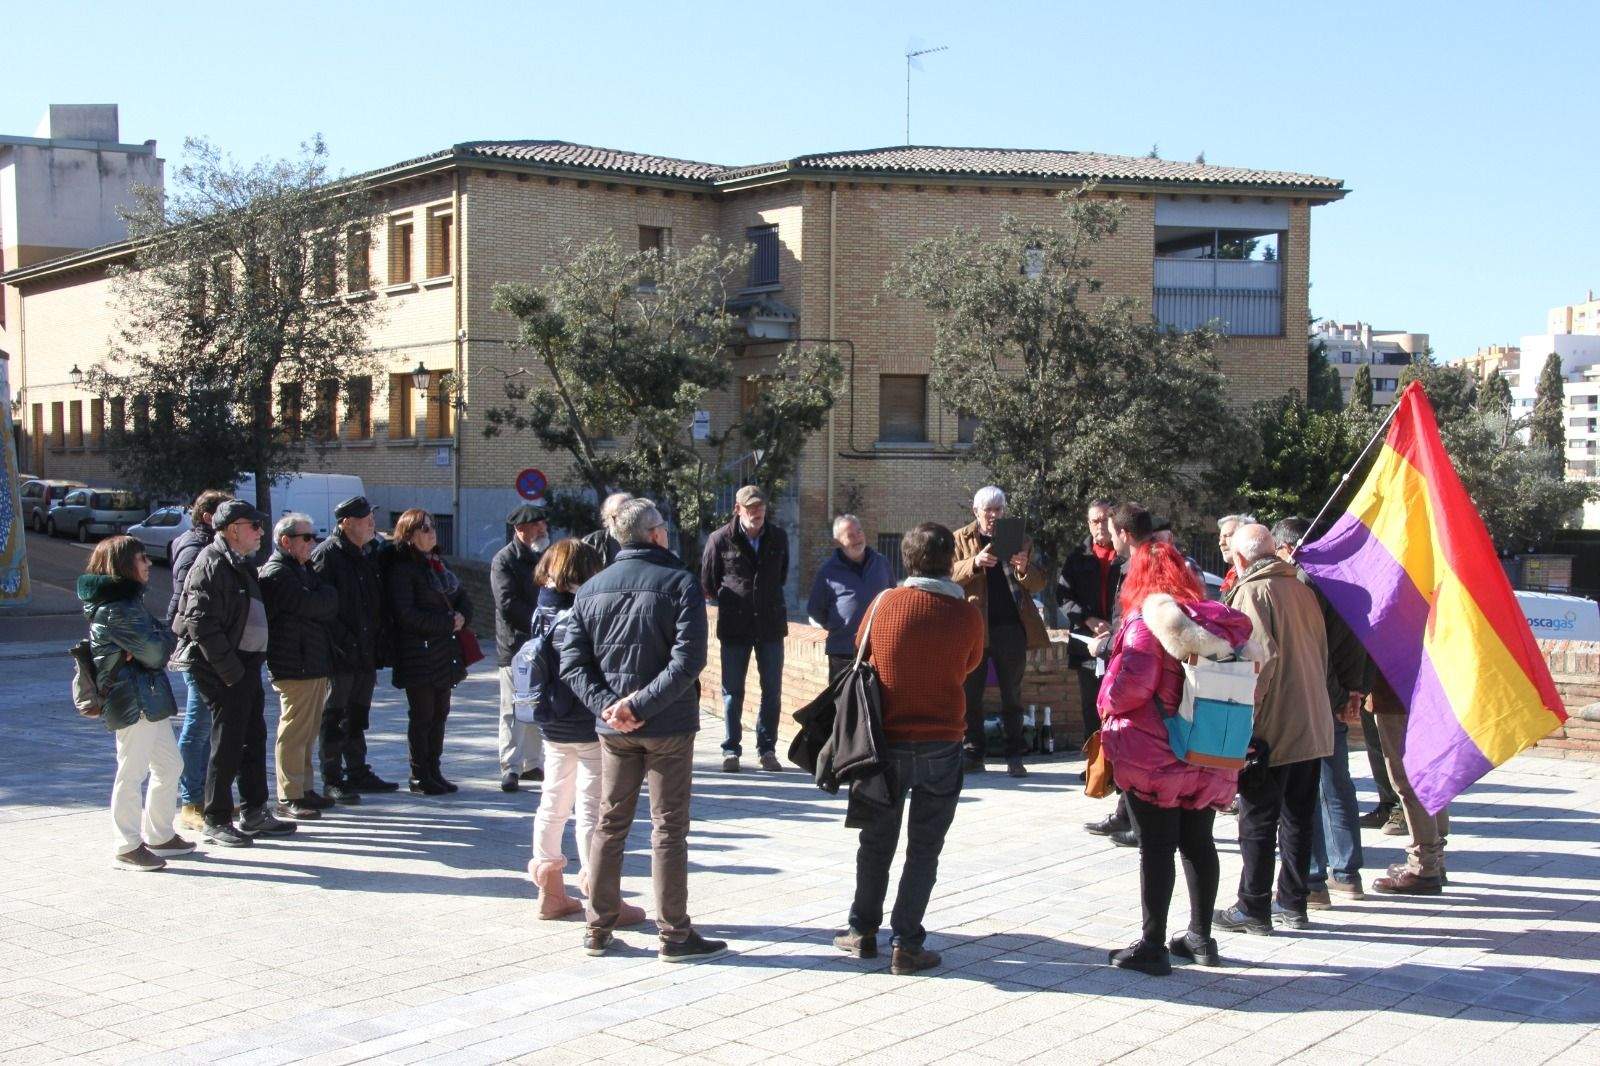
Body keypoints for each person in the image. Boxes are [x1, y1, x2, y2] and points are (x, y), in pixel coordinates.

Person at [561, 498, 727, 963]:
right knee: (667, 828)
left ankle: (597, 928)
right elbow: (689, 660)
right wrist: (634, 705)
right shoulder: (679, 582)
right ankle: (674, 934)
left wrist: (612, 707)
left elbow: (572, 664)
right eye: (664, 528)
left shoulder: (591, 588)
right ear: (654, 534)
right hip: (665, 724)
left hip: (617, 727)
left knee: (610, 824)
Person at [1099, 541, 1260, 974]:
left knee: (1156, 847)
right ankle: (1201, 939)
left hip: (1156, 754)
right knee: (1198, 842)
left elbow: (1130, 690)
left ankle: (1152, 946)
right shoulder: (1216, 622)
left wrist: (1104, 697)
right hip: (1208, 750)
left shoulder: (1146, 622)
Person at [833, 522, 984, 976]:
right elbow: (970, 665)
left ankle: (862, 931)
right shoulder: (967, 615)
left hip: (886, 742)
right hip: (943, 741)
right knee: (925, 848)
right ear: (950, 560)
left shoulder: (884, 604)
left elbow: (862, 650)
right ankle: (907, 942)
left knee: (875, 841)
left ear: (907, 559)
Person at [1215, 523, 1333, 934]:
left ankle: (1253, 906)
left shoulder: (1253, 592)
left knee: (1258, 818)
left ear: (1241, 558)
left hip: (1274, 725)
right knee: (1299, 815)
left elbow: (1257, 664)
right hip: (1311, 718)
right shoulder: (1302, 588)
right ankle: (1293, 903)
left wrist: (1244, 724)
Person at [522, 539, 647, 926]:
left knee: (553, 802)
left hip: (552, 719)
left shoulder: (541, 609)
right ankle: (602, 897)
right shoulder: (582, 611)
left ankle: (550, 892)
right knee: (591, 810)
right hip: (586, 721)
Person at [172, 499, 295, 847]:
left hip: (246, 665)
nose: (260, 532)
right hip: (223, 669)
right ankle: (216, 818)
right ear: (232, 530)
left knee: (252, 737)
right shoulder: (211, 562)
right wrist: (231, 671)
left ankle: (254, 812)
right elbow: (199, 623)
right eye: (253, 526)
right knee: (226, 743)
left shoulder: (240, 562)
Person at [1273, 517, 1371, 907]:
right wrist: (1353, 690)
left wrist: (1341, 693)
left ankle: (1313, 879)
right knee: (1336, 785)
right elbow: (1357, 643)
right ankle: (1347, 874)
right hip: (1336, 694)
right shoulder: (1342, 580)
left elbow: (1314, 650)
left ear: (1287, 548)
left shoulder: (1303, 584)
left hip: (1313, 697)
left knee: (1310, 790)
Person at [81, 535, 194, 871]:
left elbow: (157, 643)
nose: (148, 564)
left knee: (170, 766)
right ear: (123, 565)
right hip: (131, 700)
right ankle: (127, 845)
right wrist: (156, 642)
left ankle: (160, 834)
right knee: (131, 773)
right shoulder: (117, 609)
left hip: (149, 697)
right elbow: (157, 652)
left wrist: (151, 644)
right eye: (142, 558)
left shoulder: (129, 603)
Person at [952, 486, 1048, 778]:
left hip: (1011, 627)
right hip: (974, 627)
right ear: (976, 512)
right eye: (988, 510)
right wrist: (974, 563)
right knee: (971, 693)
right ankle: (973, 753)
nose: (994, 515)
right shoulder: (960, 538)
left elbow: (1039, 583)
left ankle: (1014, 755)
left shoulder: (1019, 538)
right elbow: (948, 575)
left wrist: (1024, 568)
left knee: (1012, 694)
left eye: (998, 510)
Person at [310, 496, 395, 803]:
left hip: (365, 652)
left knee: (358, 714)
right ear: (346, 523)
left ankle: (357, 770)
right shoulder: (327, 555)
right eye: (365, 520)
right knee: (334, 715)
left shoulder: (366, 553)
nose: (372, 524)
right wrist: (344, 642)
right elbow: (324, 610)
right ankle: (332, 778)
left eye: (371, 518)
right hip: (340, 654)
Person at [701, 485, 789, 774]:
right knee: (732, 691)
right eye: (750, 507)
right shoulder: (719, 539)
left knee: (772, 691)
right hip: (735, 626)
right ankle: (731, 749)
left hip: (770, 625)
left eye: (760, 507)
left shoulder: (778, 537)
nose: (756, 512)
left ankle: (767, 749)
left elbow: (781, 576)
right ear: (737, 509)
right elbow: (709, 583)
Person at [383, 509, 472, 796]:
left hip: (444, 651)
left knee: (440, 713)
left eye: (432, 527)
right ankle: (419, 774)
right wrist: (447, 622)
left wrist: (462, 617)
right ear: (409, 535)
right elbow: (406, 614)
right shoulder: (402, 569)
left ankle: (434, 770)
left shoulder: (438, 564)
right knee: (423, 715)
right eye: (424, 529)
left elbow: (462, 597)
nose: (432, 532)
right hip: (417, 654)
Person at [258, 513, 339, 822]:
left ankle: (304, 788)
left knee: (308, 730)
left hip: (313, 661)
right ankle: (289, 794)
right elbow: (311, 605)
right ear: (286, 541)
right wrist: (319, 601)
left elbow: (329, 599)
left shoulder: (303, 569)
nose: (312, 543)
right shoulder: (277, 572)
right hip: (294, 664)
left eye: (314, 536)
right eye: (306, 538)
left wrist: (320, 600)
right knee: (294, 731)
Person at [1084, 501, 1155, 846]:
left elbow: (1142, 626)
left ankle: (1143, 828)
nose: (1110, 539)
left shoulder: (1147, 567)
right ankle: (1127, 815)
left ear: (1124, 534)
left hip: (1140, 666)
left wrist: (1106, 645)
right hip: (1130, 658)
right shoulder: (1137, 563)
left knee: (1136, 745)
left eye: (1113, 532)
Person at [165, 488, 232, 832]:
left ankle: (205, 796)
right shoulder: (196, 549)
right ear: (208, 518)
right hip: (196, 649)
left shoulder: (203, 545)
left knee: (206, 723)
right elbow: (188, 602)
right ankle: (191, 800)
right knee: (199, 724)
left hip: (203, 647)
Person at [1369, 672, 1450, 894]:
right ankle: (1434, 859)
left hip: (1397, 693)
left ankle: (1424, 865)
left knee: (1409, 780)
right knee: (1430, 775)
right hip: (1430, 689)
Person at [492, 503, 549, 791]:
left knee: (537, 704)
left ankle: (532, 763)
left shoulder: (545, 557)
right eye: (536, 524)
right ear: (519, 529)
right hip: (515, 645)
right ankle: (510, 767)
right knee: (513, 707)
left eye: (543, 523)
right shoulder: (504, 560)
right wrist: (541, 622)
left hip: (542, 645)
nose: (543, 529)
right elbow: (507, 604)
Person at [1058, 498, 1121, 741]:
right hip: (1087, 644)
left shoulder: (1126, 554)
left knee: (1118, 706)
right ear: (1088, 523)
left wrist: (1115, 628)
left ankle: (1116, 760)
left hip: (1119, 642)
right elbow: (1063, 596)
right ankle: (1094, 759)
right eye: (1095, 521)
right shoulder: (1077, 557)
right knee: (1091, 707)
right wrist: (1088, 620)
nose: (1100, 526)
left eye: (1105, 520)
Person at [806, 513, 895, 681]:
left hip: (878, 649)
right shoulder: (827, 572)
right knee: (843, 697)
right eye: (850, 535)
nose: (857, 538)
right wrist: (840, 625)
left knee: (877, 697)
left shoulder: (881, 563)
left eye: (859, 531)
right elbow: (815, 610)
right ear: (837, 542)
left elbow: (892, 597)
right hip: (843, 651)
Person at [581, 492, 631, 568]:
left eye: (629, 513)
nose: (625, 518)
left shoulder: (645, 539)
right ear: (607, 518)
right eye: (619, 514)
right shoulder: (591, 543)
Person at [1215, 514, 1255, 596]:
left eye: (1227, 536)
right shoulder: (1232, 576)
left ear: (1247, 536)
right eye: (1220, 538)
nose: (1221, 543)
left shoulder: (1256, 576)